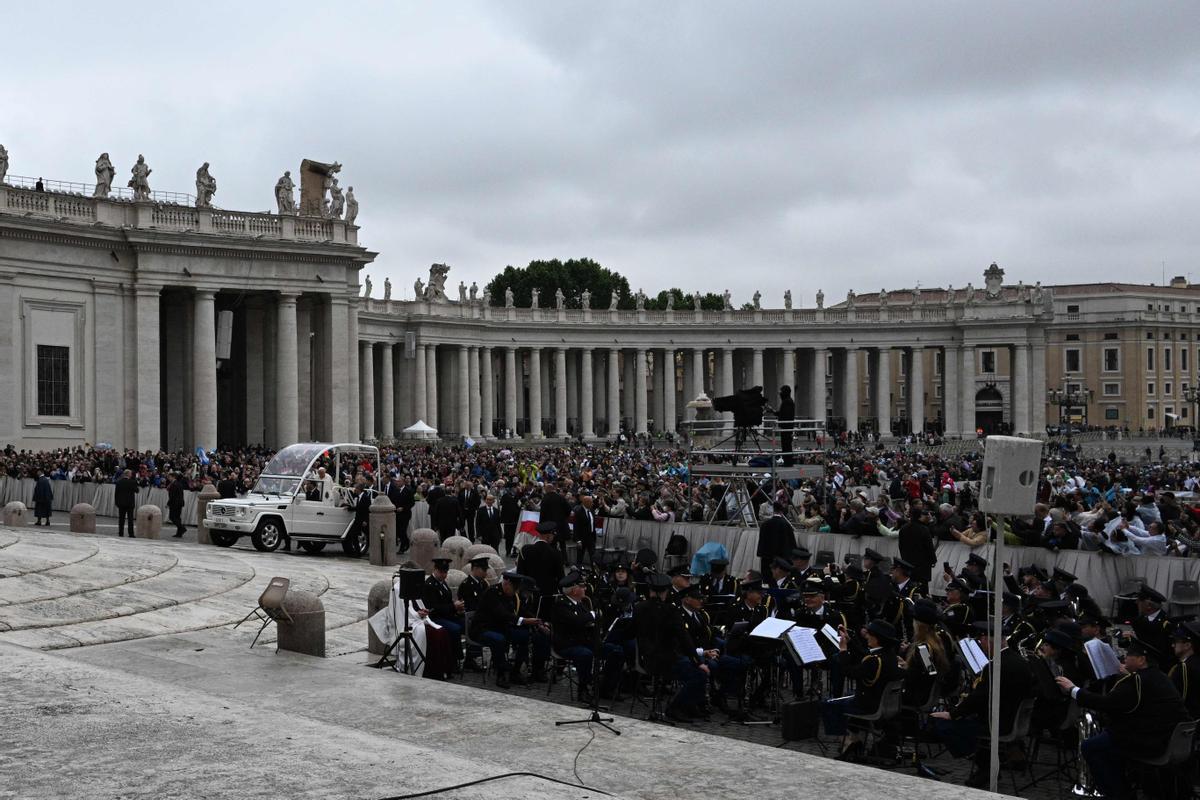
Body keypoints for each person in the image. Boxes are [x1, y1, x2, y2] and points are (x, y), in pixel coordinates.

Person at [1055, 638, 1192, 800]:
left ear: (1141, 660)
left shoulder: (1138, 680)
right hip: (1164, 738)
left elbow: (1106, 703)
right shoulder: (1158, 676)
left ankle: (1118, 793)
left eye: (1129, 655)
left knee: (1091, 746)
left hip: (1150, 742)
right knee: (1107, 740)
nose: (1124, 658)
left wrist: (1073, 690)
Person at [931, 620, 1036, 787]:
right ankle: (987, 767)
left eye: (983, 640)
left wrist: (953, 713)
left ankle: (986, 767)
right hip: (1012, 718)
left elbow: (979, 698)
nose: (982, 644)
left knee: (945, 725)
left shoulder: (997, 665)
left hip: (999, 723)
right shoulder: (1018, 660)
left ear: (990, 640)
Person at [822, 619, 904, 760]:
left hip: (869, 705)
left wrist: (843, 651)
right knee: (848, 696)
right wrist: (850, 640)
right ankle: (856, 739)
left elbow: (849, 672)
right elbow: (864, 655)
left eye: (870, 634)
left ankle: (849, 741)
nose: (866, 636)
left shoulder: (874, 660)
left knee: (829, 704)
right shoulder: (888, 655)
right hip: (881, 701)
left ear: (877, 638)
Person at [635, 572, 708, 722]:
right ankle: (676, 708)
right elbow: (684, 638)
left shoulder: (639, 608)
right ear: (666, 592)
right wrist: (698, 661)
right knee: (699, 674)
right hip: (665, 661)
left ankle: (690, 706)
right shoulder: (670, 610)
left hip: (644, 659)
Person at [551, 572, 622, 703]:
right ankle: (583, 689)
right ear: (574, 590)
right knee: (585, 654)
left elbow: (584, 620)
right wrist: (592, 615)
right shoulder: (562, 604)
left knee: (615, 650)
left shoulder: (580, 603)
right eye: (582, 587)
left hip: (584, 641)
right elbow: (576, 621)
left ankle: (605, 686)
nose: (585, 589)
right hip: (567, 644)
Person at [470, 571, 547, 689]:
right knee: (498, 639)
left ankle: (515, 671)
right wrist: (525, 621)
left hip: (501, 628)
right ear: (506, 583)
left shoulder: (512, 595)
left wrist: (537, 621)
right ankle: (501, 674)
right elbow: (502, 614)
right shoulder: (492, 592)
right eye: (514, 589)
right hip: (483, 629)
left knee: (524, 636)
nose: (515, 593)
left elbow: (522, 610)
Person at [422, 556, 464, 671]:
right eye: (441, 572)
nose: (444, 575)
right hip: (435, 618)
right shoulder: (429, 585)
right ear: (435, 570)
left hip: (447, 615)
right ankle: (455, 660)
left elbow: (447, 601)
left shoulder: (443, 583)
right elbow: (434, 608)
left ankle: (470, 657)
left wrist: (457, 608)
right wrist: (453, 607)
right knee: (455, 629)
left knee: (466, 623)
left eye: (445, 572)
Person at [1130, 585, 1175, 670]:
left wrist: (1135, 639)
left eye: (1139, 601)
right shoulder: (1139, 620)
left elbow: (1161, 651)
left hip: (1158, 666)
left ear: (1148, 605)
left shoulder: (1165, 623)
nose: (1136, 603)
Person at [1167, 621, 1200, 718]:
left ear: (1187, 645)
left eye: (1176, 642)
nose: (1173, 645)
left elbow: (1177, 700)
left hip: (1190, 721)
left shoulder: (1184, 668)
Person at [757, 501, 796, 576]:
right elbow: (791, 543)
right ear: (781, 511)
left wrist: (761, 554)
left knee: (767, 579)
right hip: (782, 559)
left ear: (773, 510)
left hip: (767, 558)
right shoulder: (786, 525)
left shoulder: (765, 524)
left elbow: (761, 542)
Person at [386, 474, 414, 553]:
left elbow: (412, 503)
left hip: (405, 514)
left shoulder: (408, 490)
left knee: (402, 530)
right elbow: (393, 500)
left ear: (403, 482)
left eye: (399, 481)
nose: (397, 483)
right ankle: (406, 542)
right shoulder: (396, 490)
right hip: (397, 514)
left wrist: (403, 508)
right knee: (398, 531)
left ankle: (402, 548)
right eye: (397, 481)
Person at [571, 492, 597, 564]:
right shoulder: (578, 512)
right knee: (580, 556)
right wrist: (578, 540)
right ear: (586, 503)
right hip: (582, 538)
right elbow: (576, 527)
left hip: (591, 537)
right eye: (591, 502)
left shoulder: (592, 510)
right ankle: (578, 571)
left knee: (593, 556)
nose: (592, 504)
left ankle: (594, 571)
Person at [114, 469, 138, 538]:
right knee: (130, 519)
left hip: (121, 503)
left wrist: (117, 502)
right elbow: (137, 490)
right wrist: (135, 481)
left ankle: (121, 533)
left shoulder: (119, 482)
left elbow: (116, 493)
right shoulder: (132, 482)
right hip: (130, 503)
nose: (131, 474)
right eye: (131, 473)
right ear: (128, 474)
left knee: (121, 519)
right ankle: (131, 533)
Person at [776, 385, 796, 466]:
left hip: (786, 427)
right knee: (786, 445)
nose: (780, 394)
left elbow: (785, 415)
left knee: (786, 445)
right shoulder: (788, 401)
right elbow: (783, 413)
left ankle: (788, 462)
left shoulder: (787, 402)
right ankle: (787, 462)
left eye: (781, 392)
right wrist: (774, 412)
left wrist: (779, 418)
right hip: (786, 427)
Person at [167, 472, 186, 537]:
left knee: (172, 517)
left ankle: (182, 528)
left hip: (175, 503)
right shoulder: (178, 484)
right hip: (179, 503)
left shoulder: (174, 484)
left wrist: (168, 503)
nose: (168, 478)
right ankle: (179, 533)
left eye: (169, 477)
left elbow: (173, 495)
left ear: (173, 477)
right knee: (177, 518)